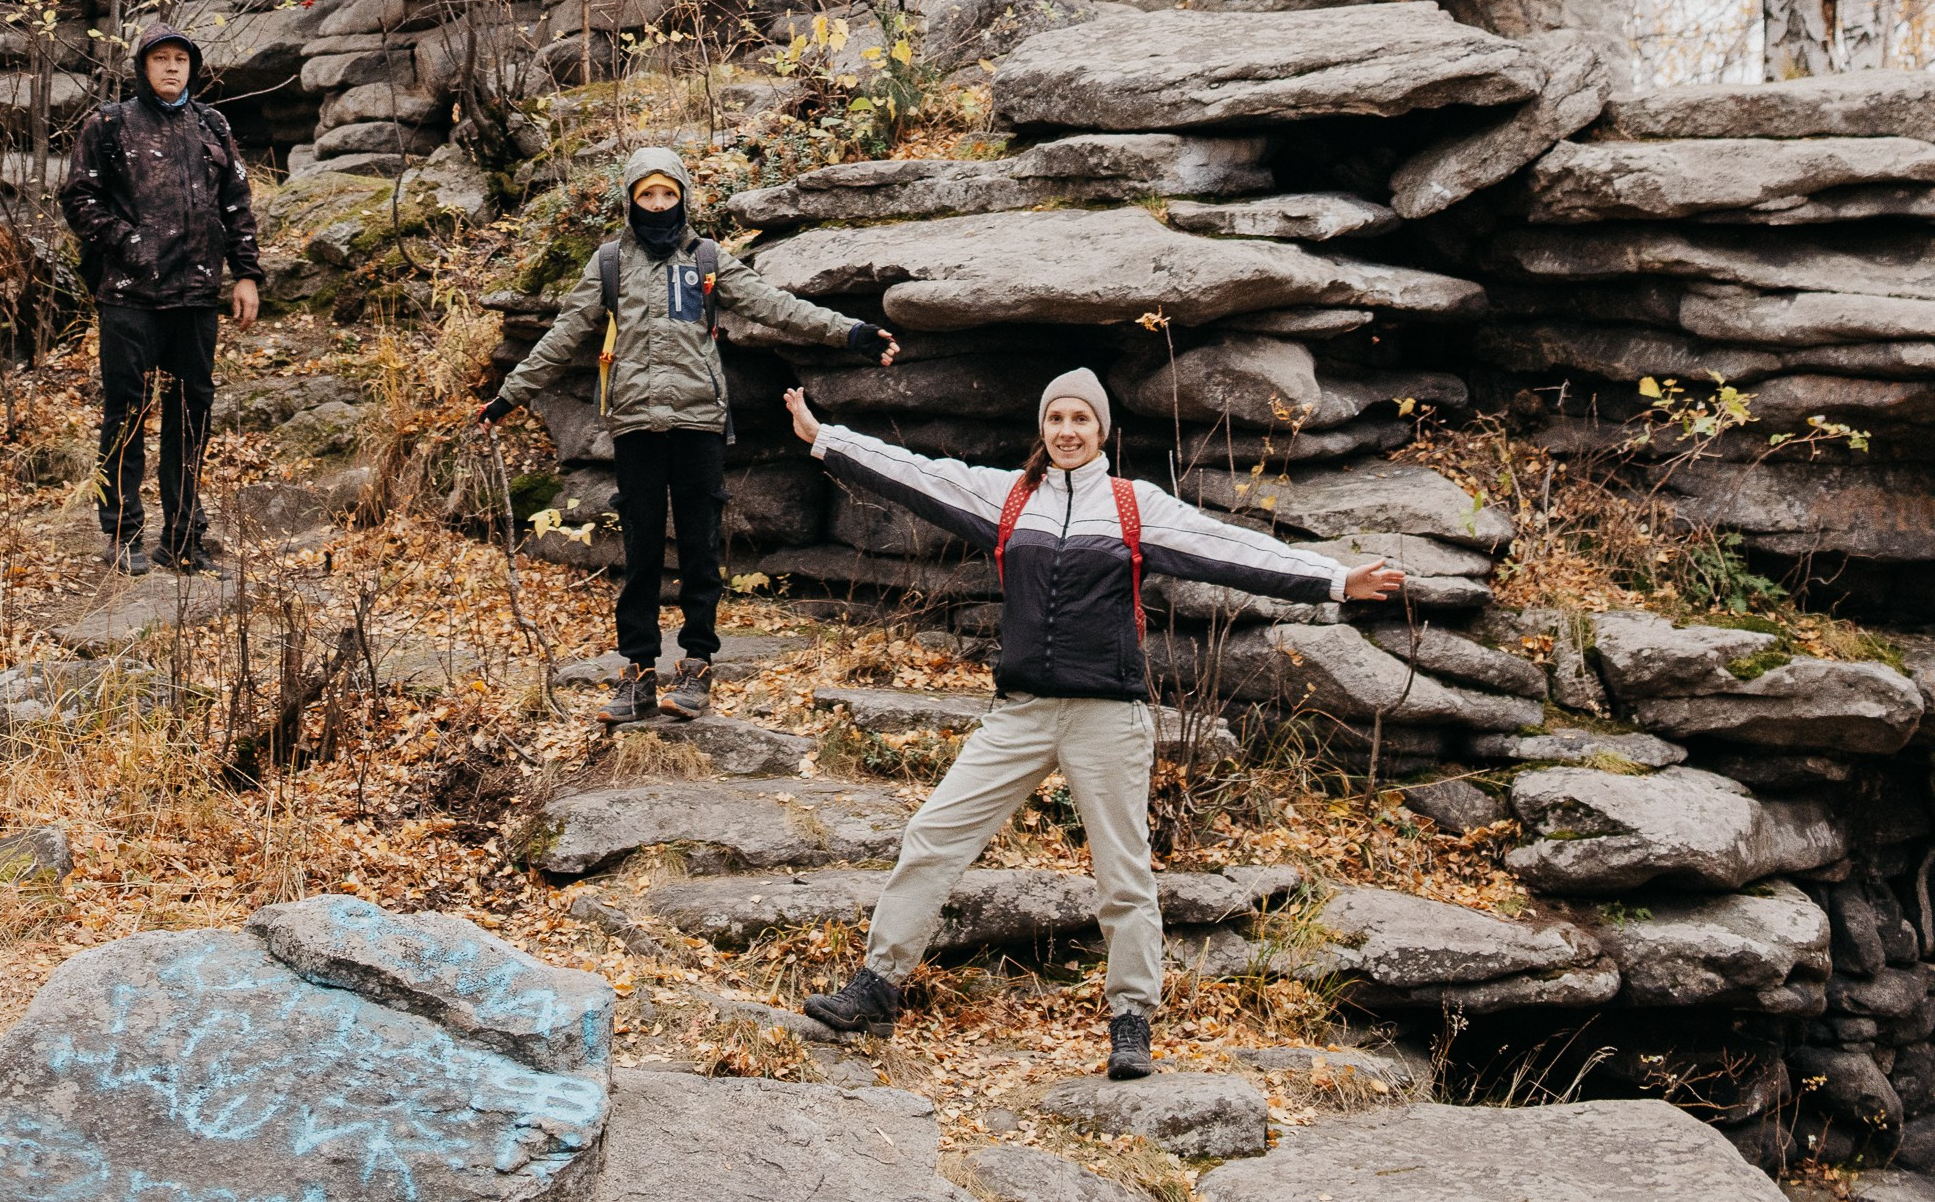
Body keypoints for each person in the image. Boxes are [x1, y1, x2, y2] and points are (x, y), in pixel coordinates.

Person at [783, 369, 1406, 1074]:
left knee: (1122, 873)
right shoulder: (1009, 497)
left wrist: (1333, 579)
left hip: (1107, 717)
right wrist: (825, 438)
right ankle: (877, 988)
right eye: (1056, 419)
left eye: (1081, 419)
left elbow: (1232, 548)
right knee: (932, 836)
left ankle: (1130, 1019)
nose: (1067, 431)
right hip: (1019, 714)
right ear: (1042, 430)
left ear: (1101, 431)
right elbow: (922, 475)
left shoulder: (1133, 506)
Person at [482, 142, 902, 724]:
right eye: (646, 194)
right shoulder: (609, 263)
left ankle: (698, 665)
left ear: (682, 197)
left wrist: (850, 332)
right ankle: (637, 675)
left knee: (701, 549)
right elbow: (564, 334)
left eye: (668, 194)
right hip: (635, 426)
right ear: (630, 199)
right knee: (642, 552)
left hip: (700, 423)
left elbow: (773, 305)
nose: (657, 205)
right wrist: (511, 393)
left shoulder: (705, 258)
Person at [61, 16, 261, 575]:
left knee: (191, 416)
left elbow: (237, 204)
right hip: (129, 296)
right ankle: (123, 534)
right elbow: (79, 199)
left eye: (181, 60)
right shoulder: (109, 123)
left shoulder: (212, 125)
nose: (172, 68)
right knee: (125, 414)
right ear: (143, 68)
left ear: (192, 67)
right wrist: (131, 244)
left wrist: (246, 275)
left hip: (196, 297)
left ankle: (182, 537)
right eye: (161, 59)